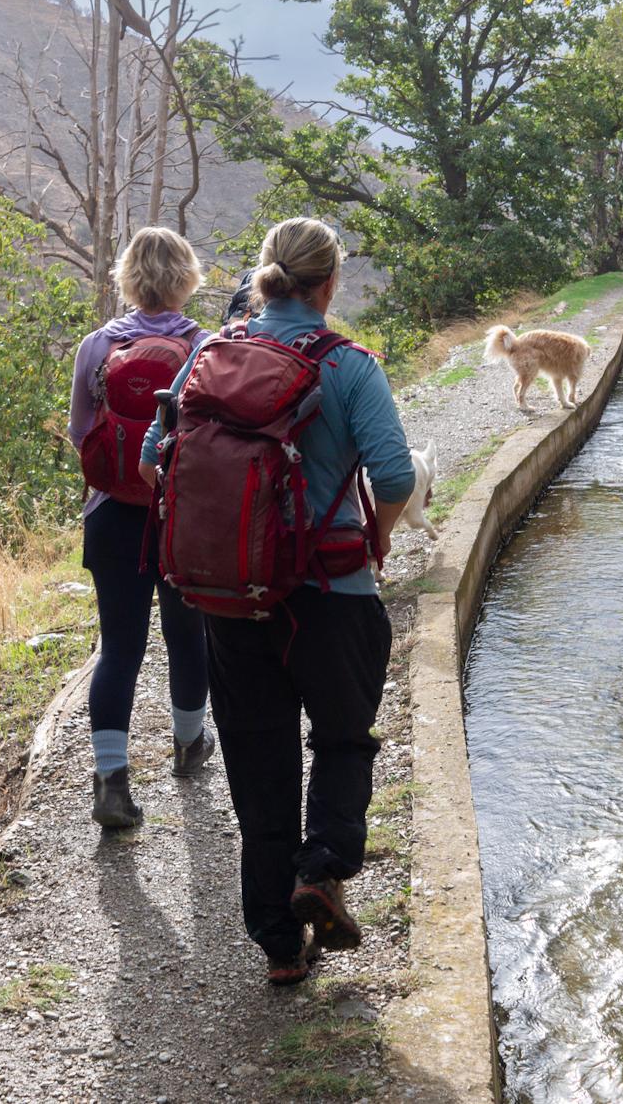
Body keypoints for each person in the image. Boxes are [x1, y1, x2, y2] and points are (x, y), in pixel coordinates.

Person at [141, 217, 414, 985]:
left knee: (259, 766)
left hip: (229, 601)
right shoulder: (350, 366)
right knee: (342, 737)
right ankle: (320, 870)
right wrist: (376, 537)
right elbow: (393, 476)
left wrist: (227, 533)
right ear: (330, 284)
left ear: (264, 276)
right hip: (330, 591)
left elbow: (152, 459)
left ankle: (278, 947)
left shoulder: (208, 350)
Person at [66, 226, 216, 830]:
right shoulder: (208, 347)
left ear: (127, 277)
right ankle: (187, 747)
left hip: (111, 517)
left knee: (120, 647)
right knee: (188, 635)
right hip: (180, 517)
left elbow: (81, 433)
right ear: (186, 278)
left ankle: (111, 781)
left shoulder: (96, 346)